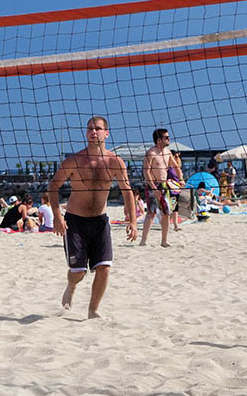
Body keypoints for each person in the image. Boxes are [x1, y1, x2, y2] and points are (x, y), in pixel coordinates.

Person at [47, 116, 137, 319]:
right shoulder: (75, 161)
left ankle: (93, 310)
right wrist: (57, 216)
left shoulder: (115, 162)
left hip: (100, 221)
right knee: (78, 272)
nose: (93, 132)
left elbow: (127, 191)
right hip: (75, 221)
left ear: (106, 133)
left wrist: (132, 220)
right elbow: (53, 186)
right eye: (90, 129)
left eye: (97, 129)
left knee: (104, 268)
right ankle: (71, 287)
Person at [140, 128, 172, 248]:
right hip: (152, 185)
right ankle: (143, 241)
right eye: (166, 137)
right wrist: (153, 188)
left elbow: (174, 166)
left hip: (164, 185)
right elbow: (146, 172)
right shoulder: (151, 153)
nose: (169, 139)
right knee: (151, 213)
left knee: (167, 213)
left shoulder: (168, 152)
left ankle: (164, 241)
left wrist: (181, 179)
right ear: (159, 140)